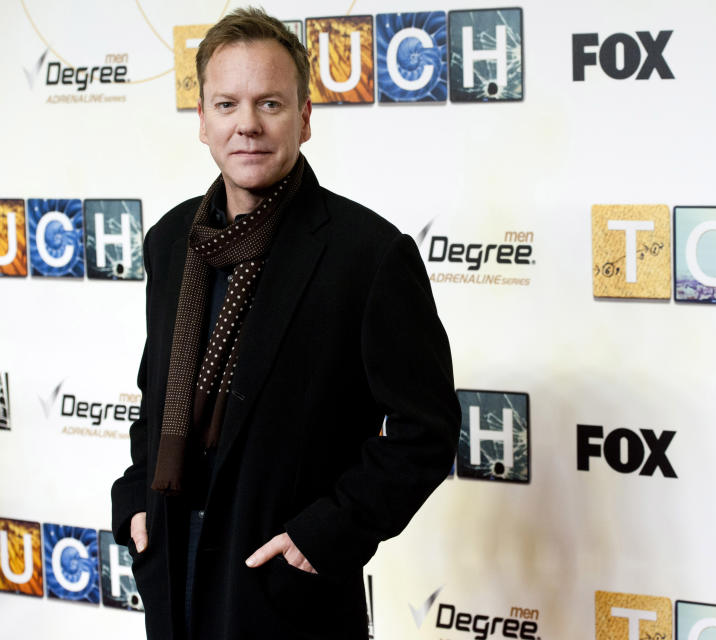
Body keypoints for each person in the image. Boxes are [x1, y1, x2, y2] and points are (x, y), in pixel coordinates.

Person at [110, 8, 460, 639]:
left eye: (270, 103)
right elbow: (155, 395)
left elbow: (427, 431)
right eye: (227, 104)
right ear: (202, 121)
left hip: (282, 582)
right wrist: (136, 496)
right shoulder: (170, 241)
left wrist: (327, 532)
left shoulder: (369, 254)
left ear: (303, 118)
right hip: (172, 565)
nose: (247, 124)